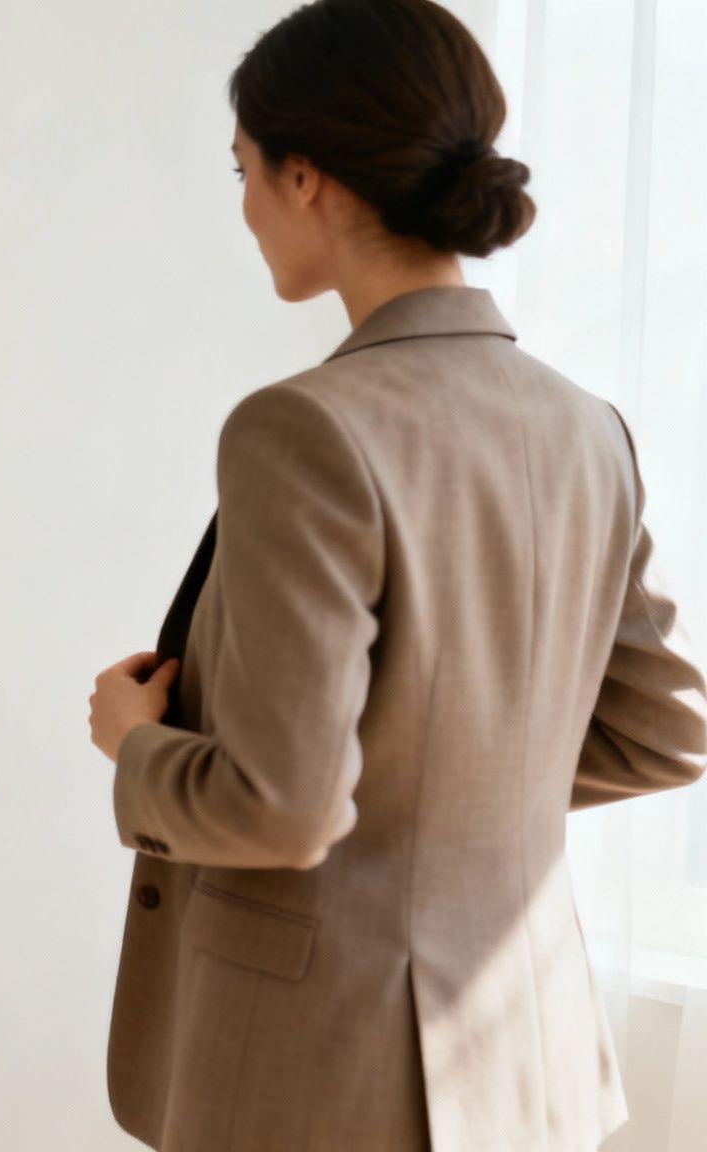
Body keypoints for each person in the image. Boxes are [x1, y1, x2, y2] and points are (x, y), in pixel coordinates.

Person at [86, 2, 707, 1148]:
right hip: (526, 1058)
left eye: (242, 169)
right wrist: (438, 799)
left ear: (304, 175)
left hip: (326, 1071)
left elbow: (280, 806)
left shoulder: (301, 427)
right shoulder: (588, 428)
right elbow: (663, 732)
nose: (243, 206)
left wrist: (132, 743)